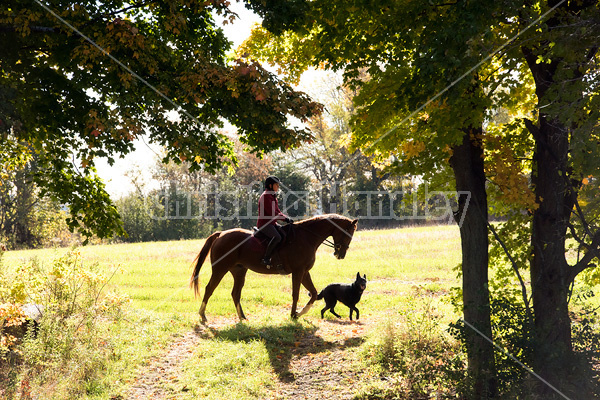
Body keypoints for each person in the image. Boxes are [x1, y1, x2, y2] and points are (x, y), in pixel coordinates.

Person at [257, 176, 293, 266]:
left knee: (285, 233)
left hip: (272, 223)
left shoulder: (272, 196)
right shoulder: (266, 196)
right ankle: (266, 258)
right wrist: (285, 219)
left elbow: (278, 212)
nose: (278, 187)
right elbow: (272, 213)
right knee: (277, 237)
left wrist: (286, 218)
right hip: (264, 224)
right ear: (270, 185)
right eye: (276, 185)